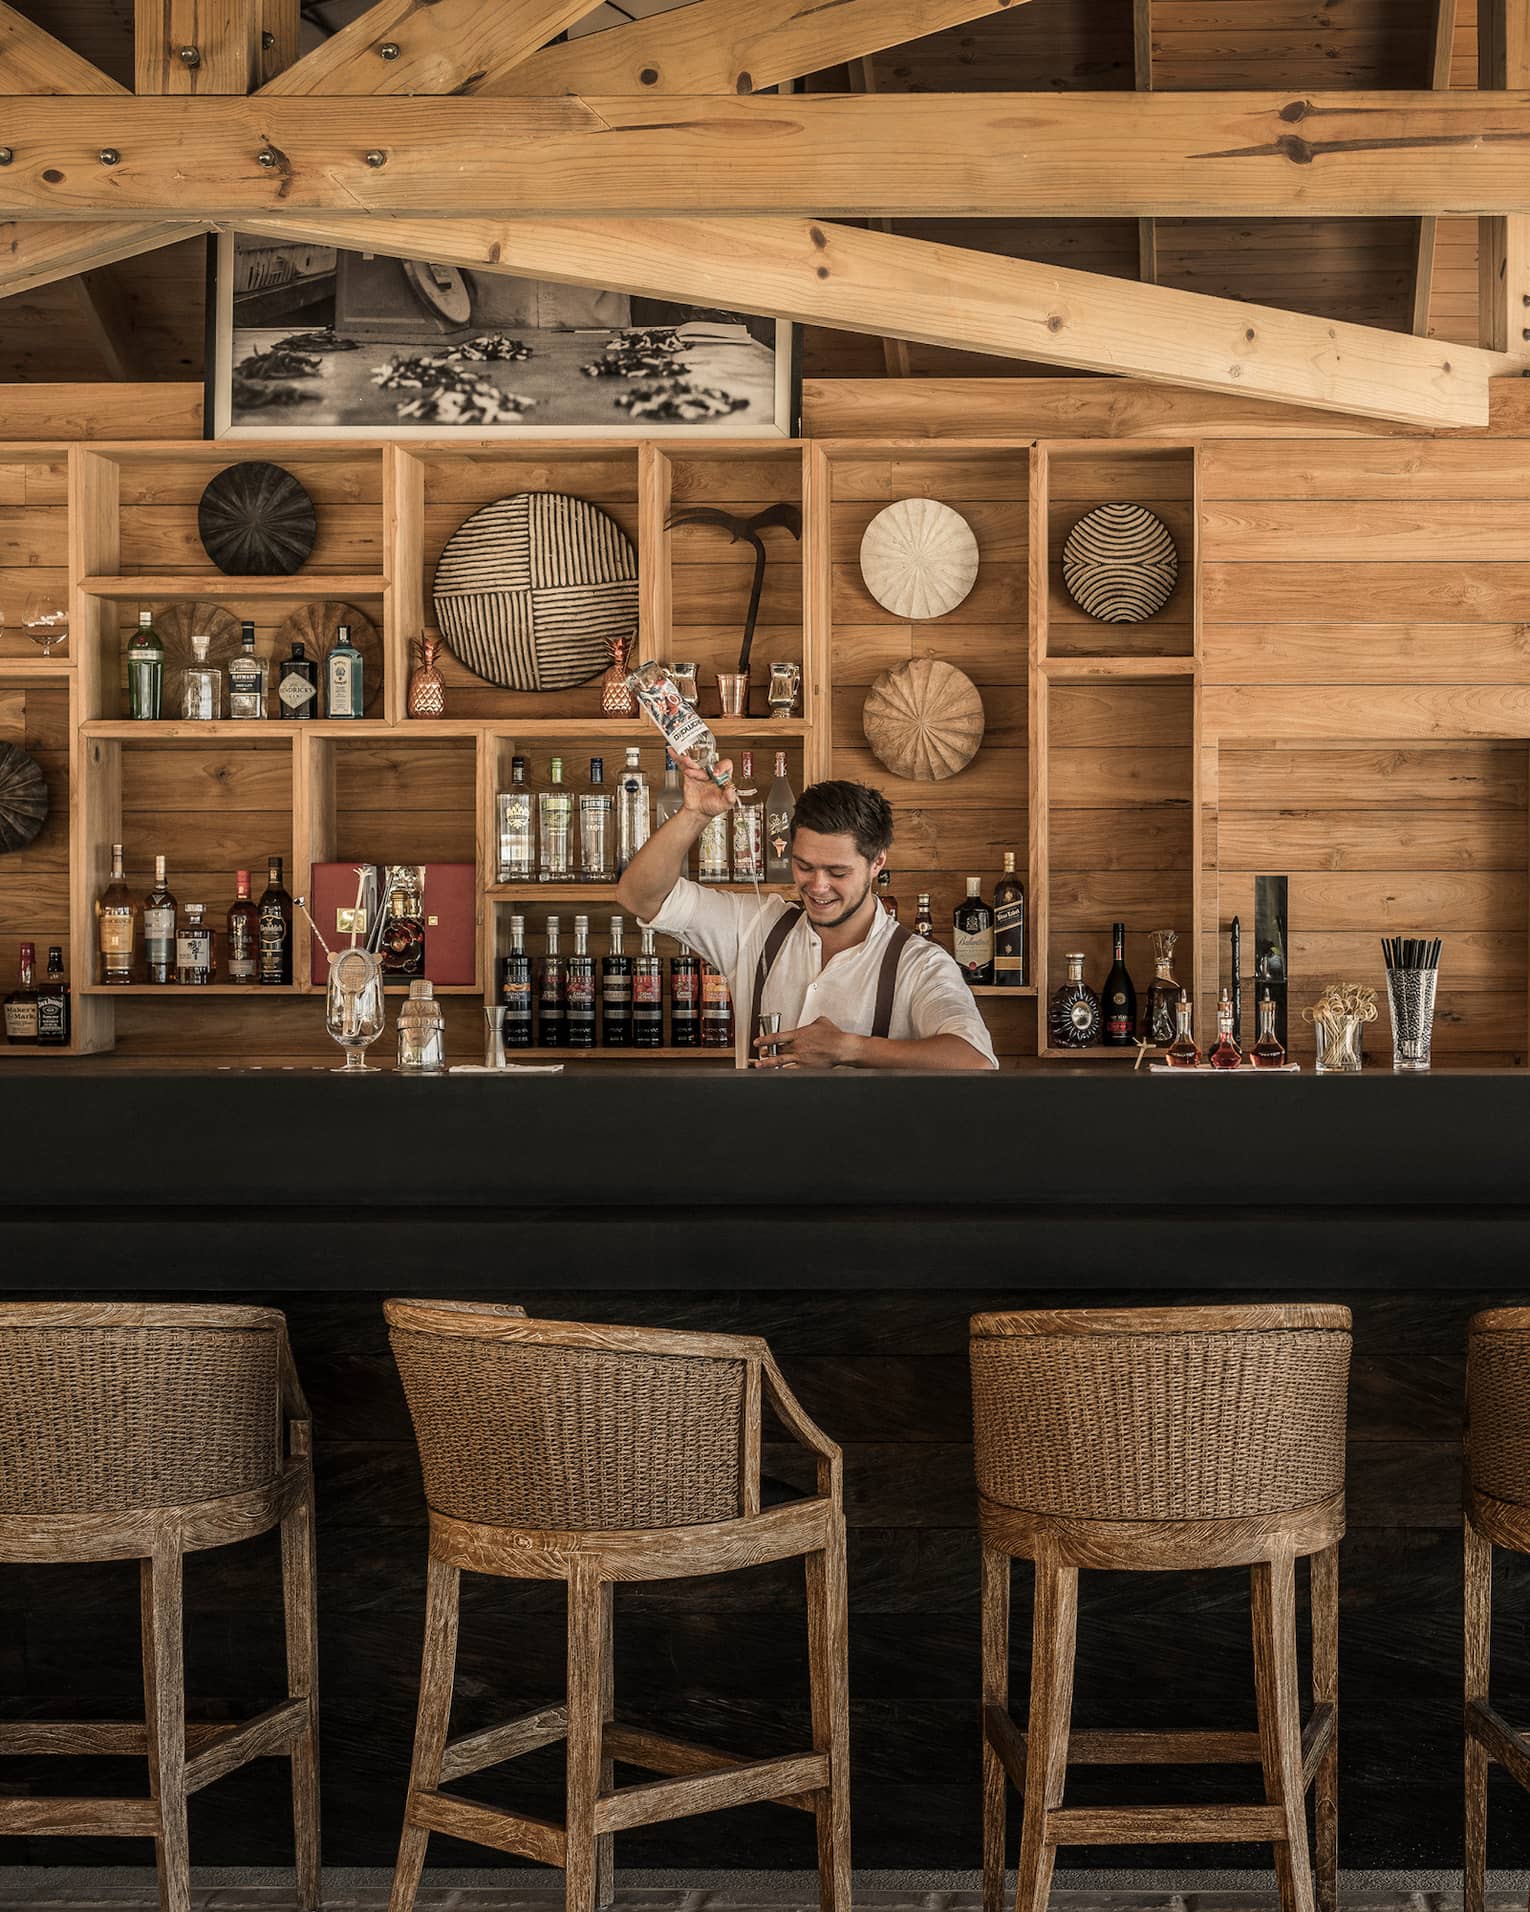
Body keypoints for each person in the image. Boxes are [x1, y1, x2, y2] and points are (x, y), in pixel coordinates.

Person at [617, 761, 998, 1071]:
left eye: (837, 872)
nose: (817, 886)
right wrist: (694, 813)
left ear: (876, 862)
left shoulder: (918, 963)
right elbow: (638, 895)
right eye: (804, 866)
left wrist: (850, 1049)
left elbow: (975, 1060)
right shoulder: (758, 925)